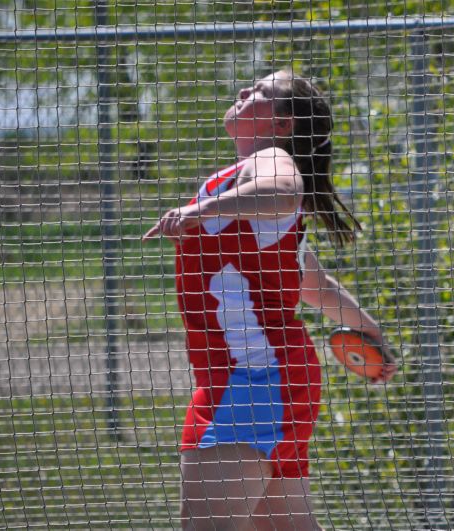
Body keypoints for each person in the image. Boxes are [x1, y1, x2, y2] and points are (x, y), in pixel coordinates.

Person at [144, 70, 398, 531]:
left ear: (283, 126)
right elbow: (314, 285)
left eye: (262, 92)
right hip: (272, 376)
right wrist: (371, 331)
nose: (245, 91)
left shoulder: (272, 162)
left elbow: (285, 191)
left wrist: (197, 211)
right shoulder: (247, 200)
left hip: (252, 378)